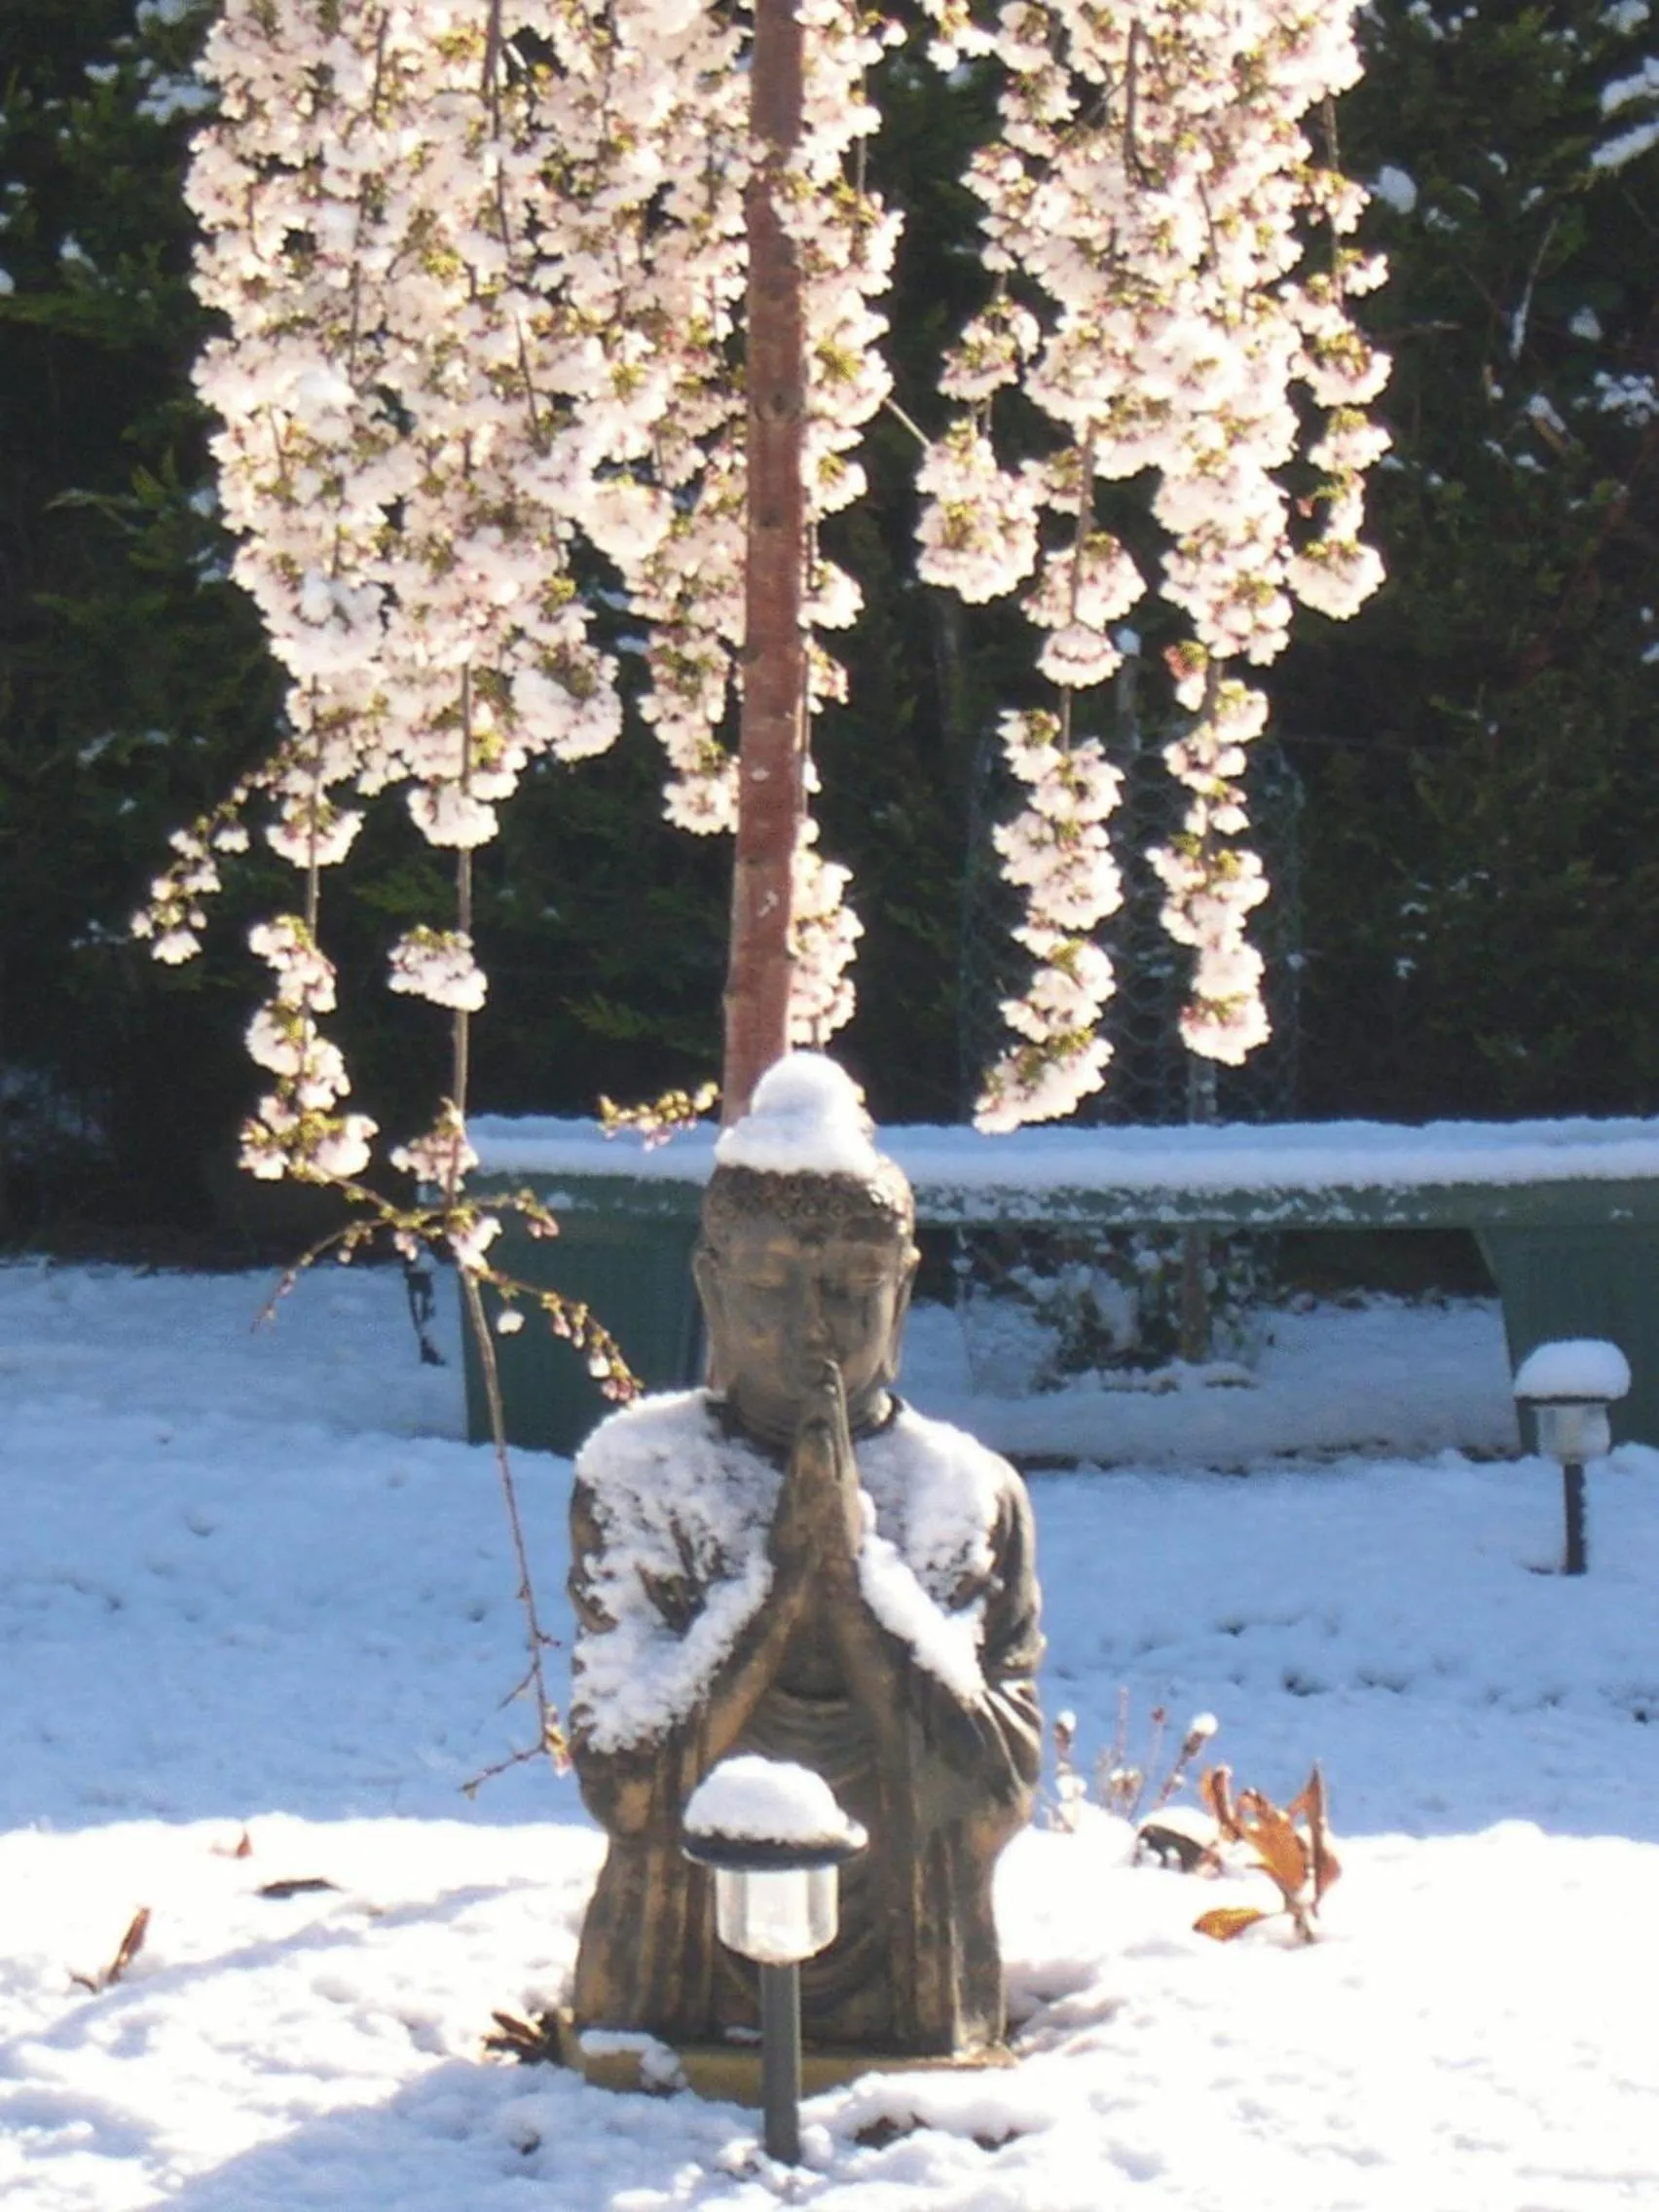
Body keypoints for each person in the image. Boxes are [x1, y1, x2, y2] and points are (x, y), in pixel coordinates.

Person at [567, 1056, 1043, 2055]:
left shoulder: (964, 1492)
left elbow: (989, 1793)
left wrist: (858, 1581)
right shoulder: (641, 1476)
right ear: (711, 1288)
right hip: (682, 1948)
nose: (811, 1325)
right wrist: (780, 1586)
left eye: (850, 1286)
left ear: (903, 1296)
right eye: (770, 1287)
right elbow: (628, 1787)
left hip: (908, 1949)